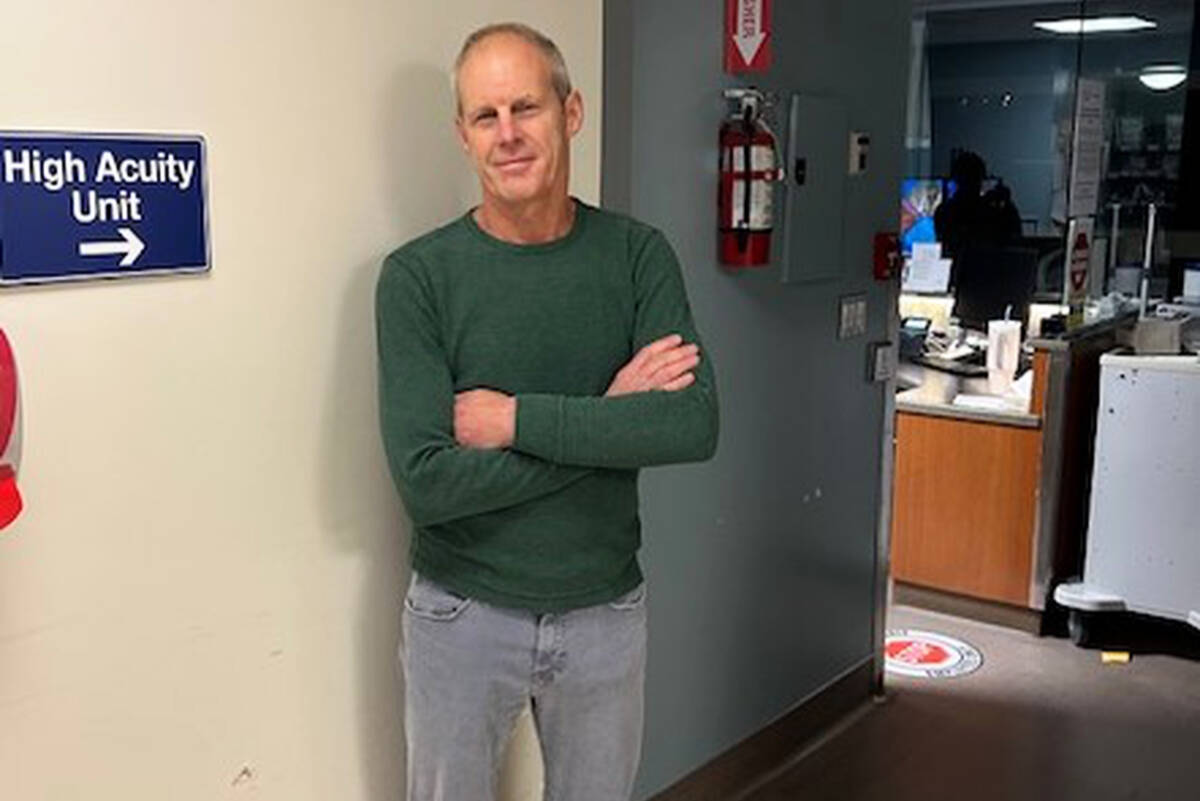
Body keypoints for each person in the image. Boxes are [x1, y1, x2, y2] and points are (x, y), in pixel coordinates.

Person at [375, 22, 719, 801]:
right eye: (485, 116)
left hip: (604, 608)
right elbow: (428, 485)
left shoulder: (637, 256)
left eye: (525, 108)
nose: (507, 135)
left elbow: (692, 424)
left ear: (571, 112)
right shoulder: (417, 279)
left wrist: (511, 421)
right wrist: (609, 417)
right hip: (461, 613)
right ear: (462, 135)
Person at [934, 150, 1022, 272]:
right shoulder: (989, 212)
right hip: (978, 275)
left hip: (974, 275)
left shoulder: (944, 211)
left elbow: (1014, 240)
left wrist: (1005, 206)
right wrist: (1003, 206)